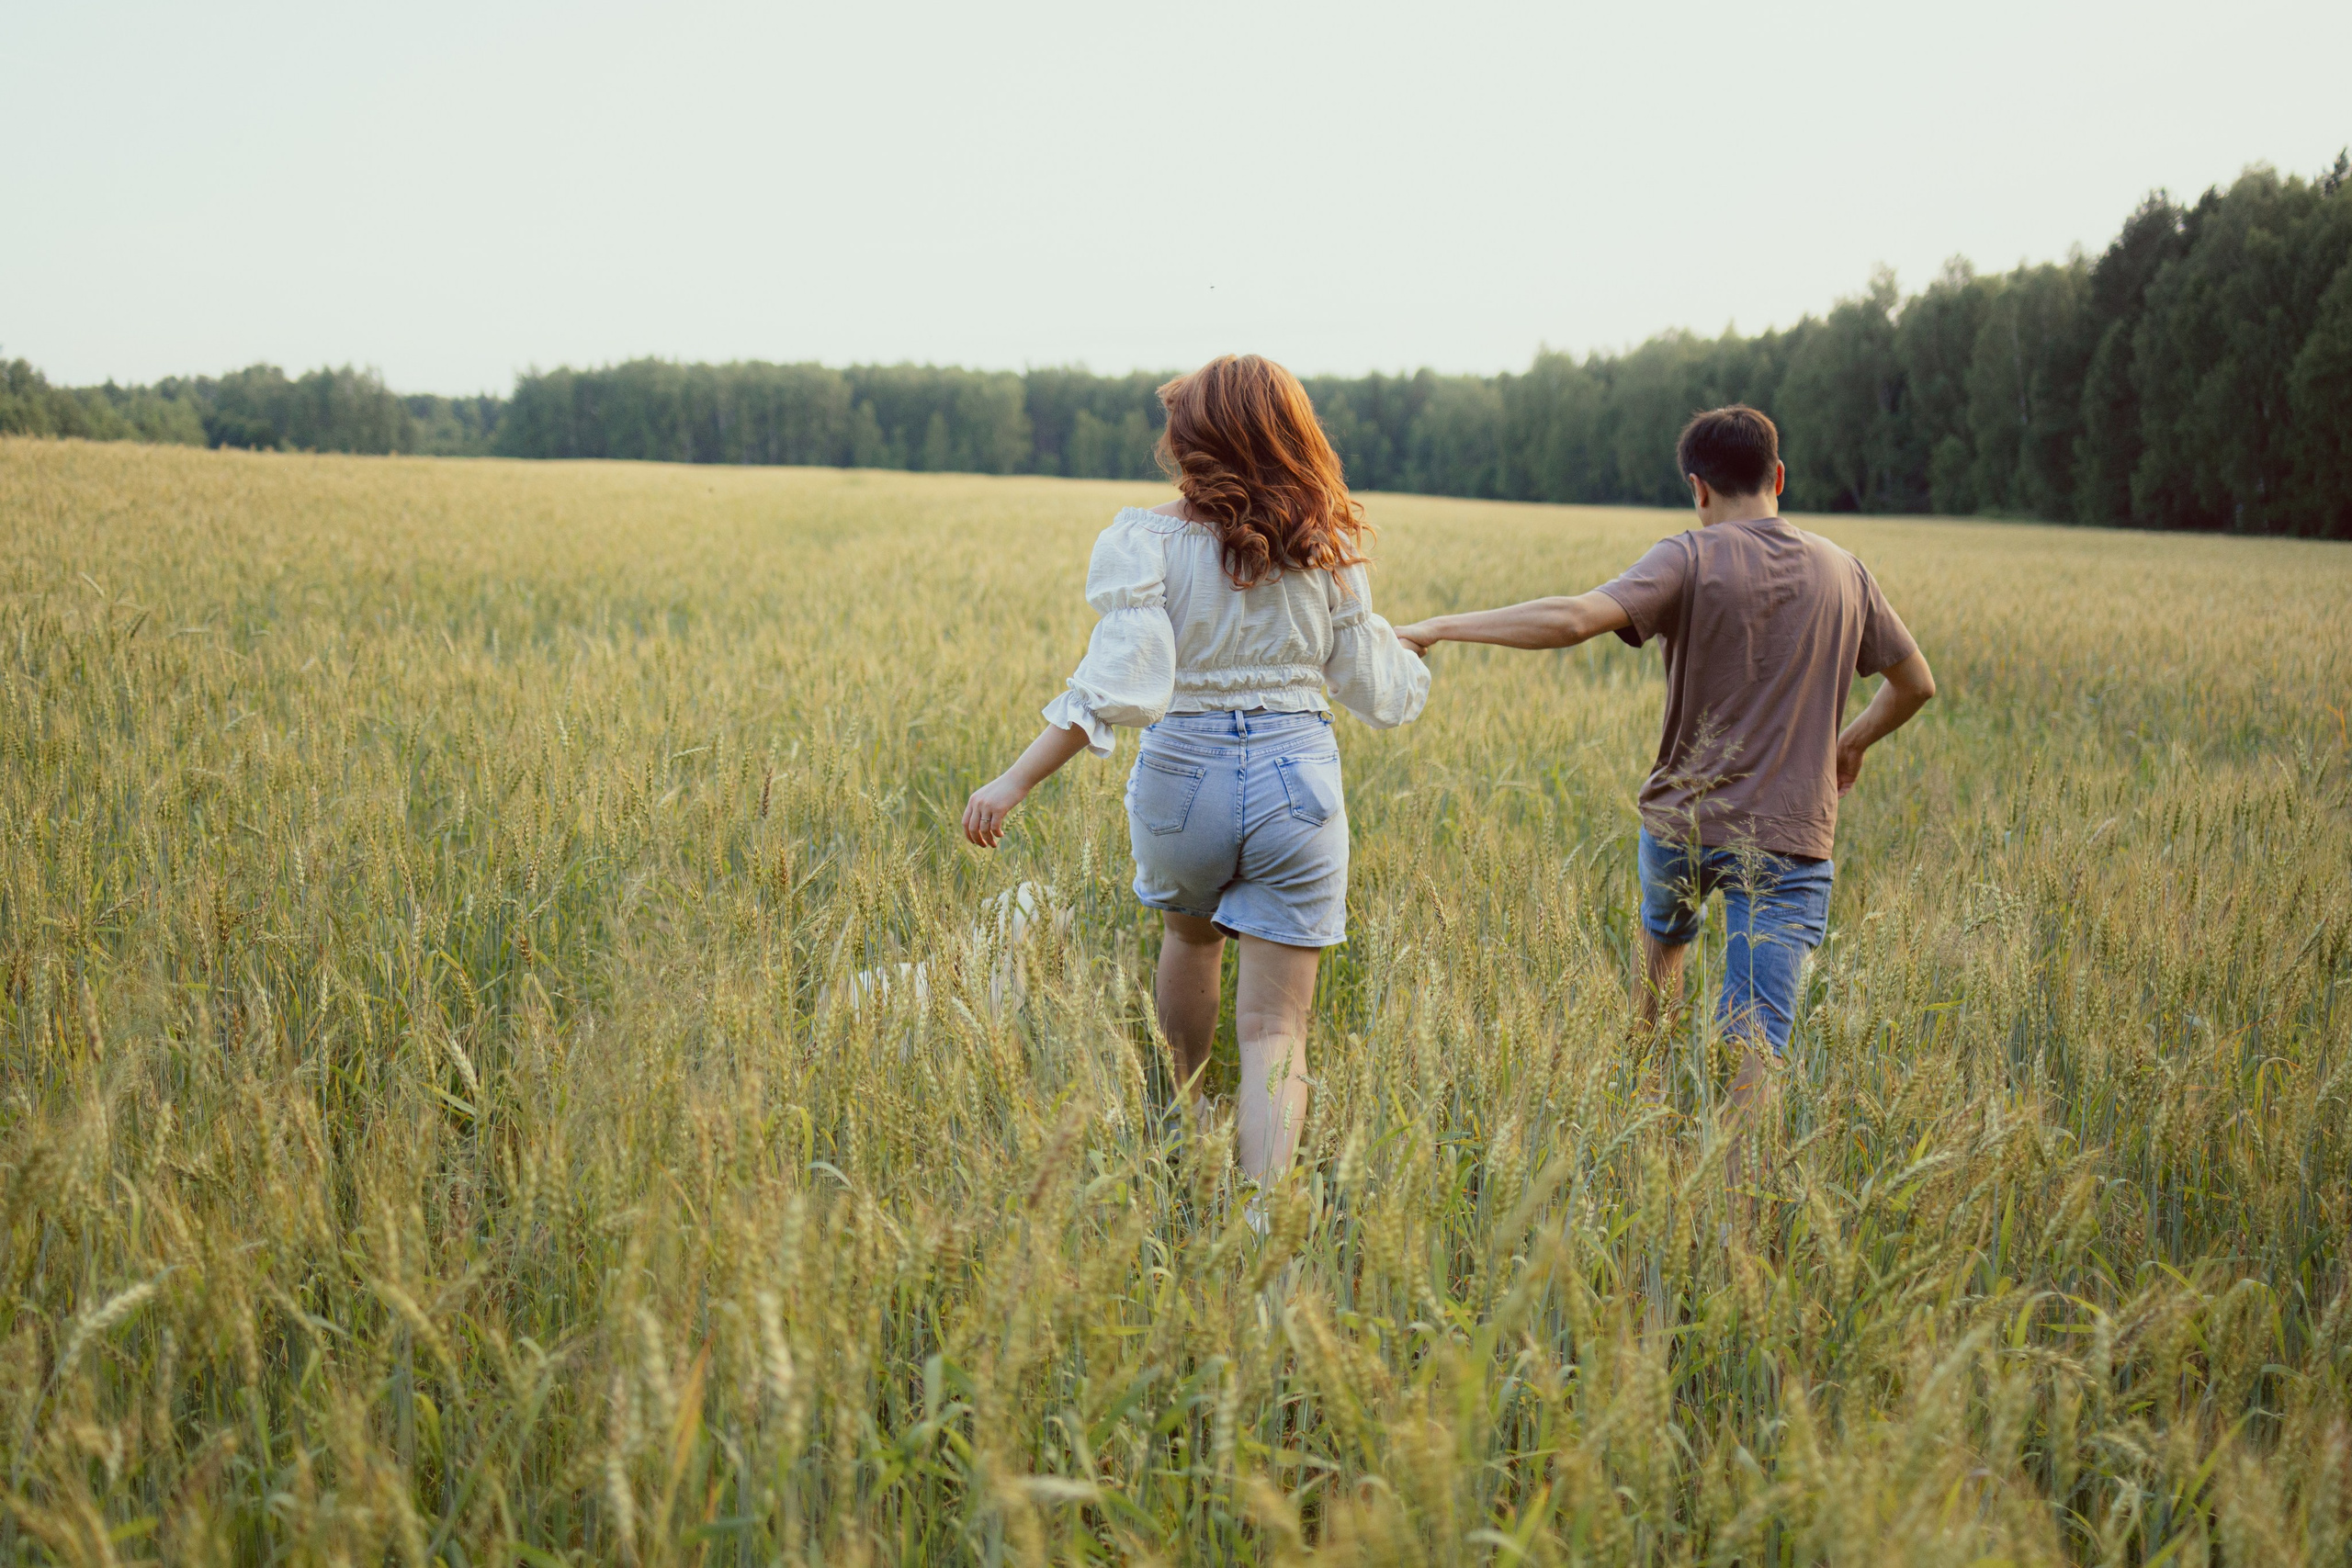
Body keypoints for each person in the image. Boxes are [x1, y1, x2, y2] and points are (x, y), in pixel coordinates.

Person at [1393, 405, 1934, 1140]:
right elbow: (1915, 683)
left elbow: (1573, 618)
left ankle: (1643, 1117)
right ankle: (1732, 1224)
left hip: (1682, 825)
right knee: (1753, 1042)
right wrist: (1852, 743)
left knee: (1664, 950)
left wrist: (1440, 626)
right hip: (1788, 838)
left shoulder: (1689, 556)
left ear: (1698, 489)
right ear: (1778, 477)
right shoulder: (1847, 571)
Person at [962, 355, 1429, 1188]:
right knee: (1276, 1026)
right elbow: (1372, 686)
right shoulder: (1326, 544)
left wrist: (1014, 781)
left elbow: (1113, 688)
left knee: (1189, 937)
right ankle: (1261, 1215)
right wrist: (1405, 651)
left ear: (1200, 438)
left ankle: (1176, 1130)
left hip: (1184, 778)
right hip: (1299, 782)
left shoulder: (1146, 538)